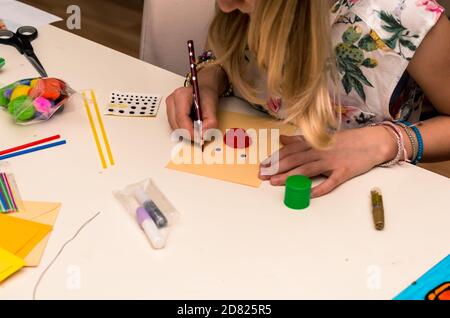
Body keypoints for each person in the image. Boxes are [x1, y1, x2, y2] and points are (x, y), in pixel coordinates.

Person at [166, 0, 450, 197]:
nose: (225, 6)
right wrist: (208, 79)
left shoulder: (403, 18)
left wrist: (384, 142)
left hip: (354, 211)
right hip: (244, 196)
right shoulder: (239, 7)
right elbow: (223, 49)